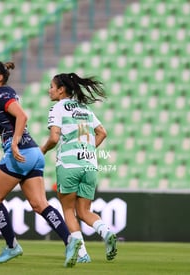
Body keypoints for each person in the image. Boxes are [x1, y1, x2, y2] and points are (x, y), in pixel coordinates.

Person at [0, 61, 82, 268]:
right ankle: (70, 241)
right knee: (39, 204)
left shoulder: (2, 94)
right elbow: (6, 127)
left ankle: (11, 245)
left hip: (20, 152)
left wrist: (15, 143)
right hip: (34, 153)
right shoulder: (5, 96)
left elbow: (22, 117)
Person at [40, 73, 118, 263]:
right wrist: (88, 150)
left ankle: (81, 253)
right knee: (84, 211)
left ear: (61, 89)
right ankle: (106, 231)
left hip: (68, 165)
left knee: (68, 210)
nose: (49, 90)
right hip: (90, 164)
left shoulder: (57, 108)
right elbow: (102, 133)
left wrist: (40, 151)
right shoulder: (84, 109)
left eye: (51, 86)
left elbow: (54, 138)